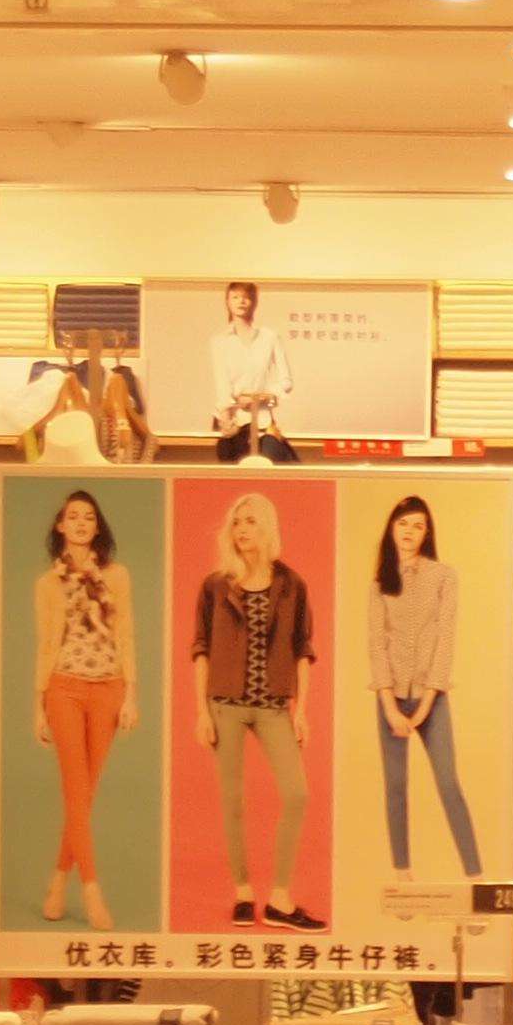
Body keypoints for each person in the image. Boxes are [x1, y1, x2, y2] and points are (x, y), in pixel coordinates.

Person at [189, 490, 319, 928]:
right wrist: (201, 711)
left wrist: (301, 710)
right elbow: (201, 649)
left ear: (267, 528)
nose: (242, 529)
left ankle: (280, 898)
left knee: (297, 794)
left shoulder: (292, 585)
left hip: (274, 705)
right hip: (224, 704)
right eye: (236, 521)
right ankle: (243, 891)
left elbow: (303, 649)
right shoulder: (215, 585)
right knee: (232, 799)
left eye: (250, 521)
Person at [29, 491, 137, 928]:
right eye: (72, 516)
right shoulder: (47, 583)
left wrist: (132, 694)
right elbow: (45, 643)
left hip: (109, 687)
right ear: (60, 525)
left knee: (84, 797)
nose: (80, 523)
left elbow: (125, 634)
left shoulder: (117, 576)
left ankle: (58, 882)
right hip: (65, 688)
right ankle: (92, 890)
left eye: (88, 517)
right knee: (75, 792)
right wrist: (38, 705)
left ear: (97, 527)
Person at [368, 495, 482, 879]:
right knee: (396, 787)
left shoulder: (444, 576)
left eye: (418, 525)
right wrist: (389, 707)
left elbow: (445, 640)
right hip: (390, 698)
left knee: (449, 784)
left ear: (427, 533)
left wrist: (425, 705)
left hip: (432, 698)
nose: (409, 532)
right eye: (403, 523)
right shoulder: (380, 583)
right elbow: (376, 645)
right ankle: (402, 873)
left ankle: (474, 873)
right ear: (391, 528)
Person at [211, 280, 298, 462]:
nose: (241, 302)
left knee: (271, 458)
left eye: (246, 297)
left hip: (263, 421)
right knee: (231, 464)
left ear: (254, 302)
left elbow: (286, 381)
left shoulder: (269, 337)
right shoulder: (220, 342)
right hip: (234, 422)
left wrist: (261, 396)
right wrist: (226, 415)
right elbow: (222, 384)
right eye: (235, 297)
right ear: (227, 302)